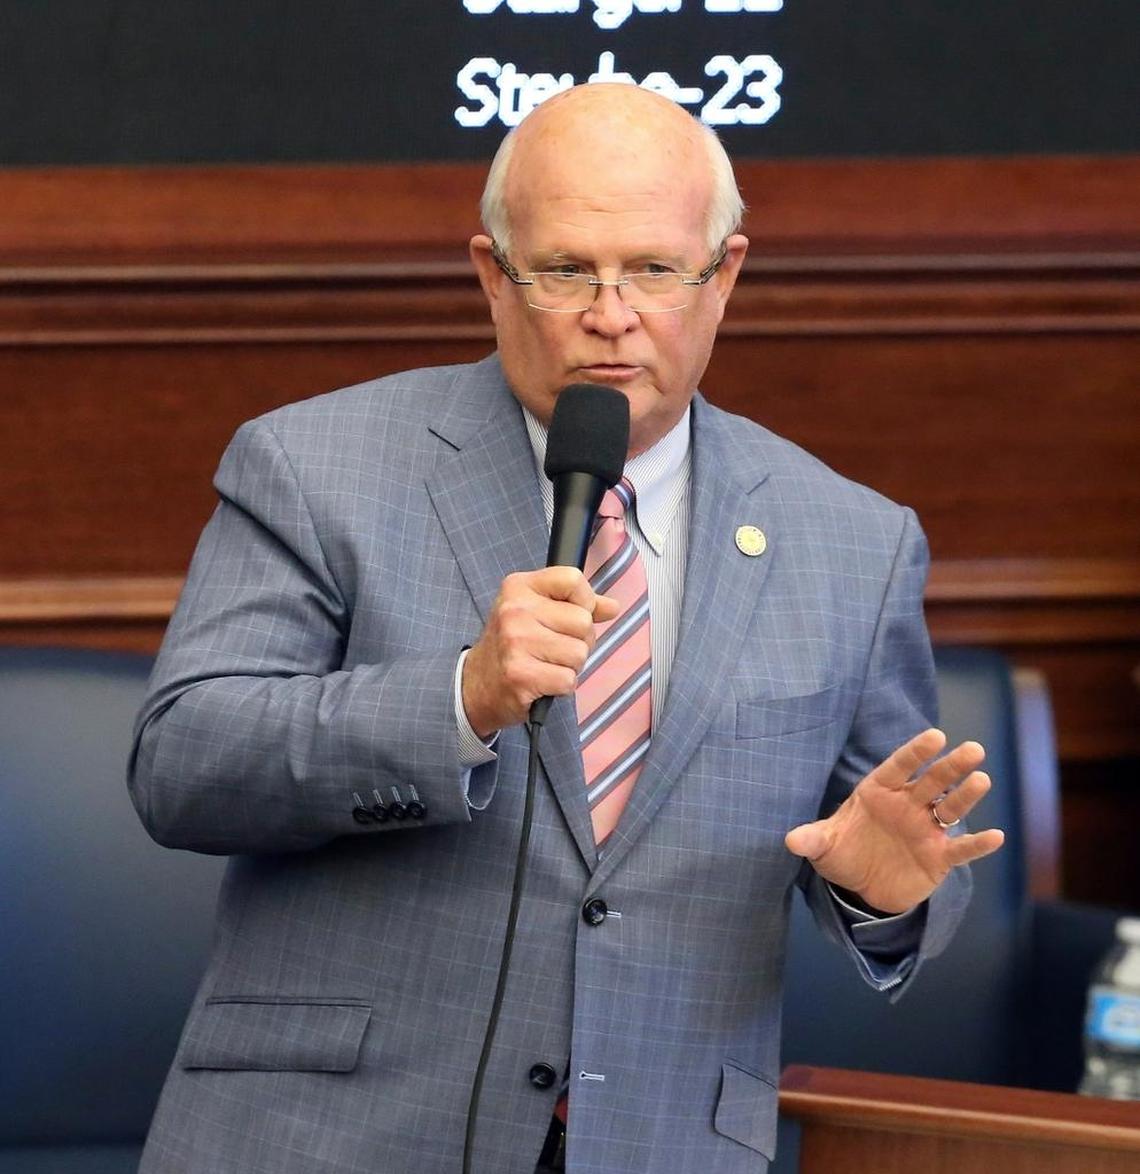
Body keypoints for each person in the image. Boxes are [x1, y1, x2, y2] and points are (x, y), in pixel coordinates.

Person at [129, 83, 1003, 1174]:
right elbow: (184, 762)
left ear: (723, 275)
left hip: (660, 1140)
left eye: (654, 268)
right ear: (493, 276)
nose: (611, 311)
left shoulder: (853, 541)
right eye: (565, 270)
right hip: (330, 1139)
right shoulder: (313, 466)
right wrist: (458, 699)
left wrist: (875, 886)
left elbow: (910, 842)